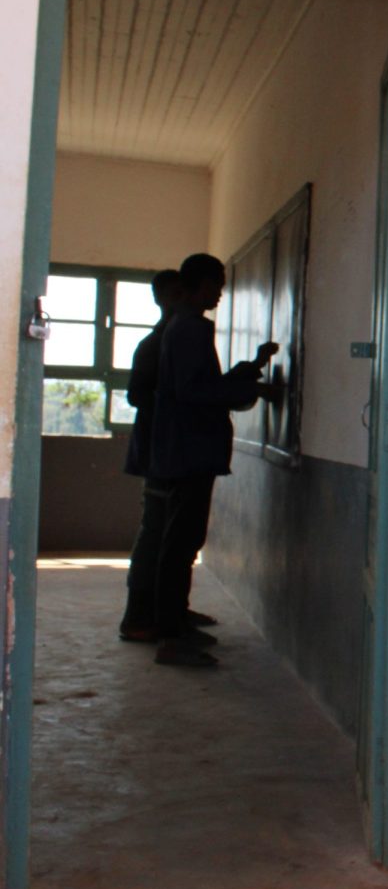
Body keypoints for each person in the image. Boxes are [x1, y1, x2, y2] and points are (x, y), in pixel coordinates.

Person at [149, 253, 277, 667]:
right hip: (189, 451)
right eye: (216, 284)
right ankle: (169, 635)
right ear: (197, 285)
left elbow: (201, 384)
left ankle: (175, 622)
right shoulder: (189, 329)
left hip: (189, 450)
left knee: (183, 541)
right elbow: (193, 392)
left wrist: (250, 369)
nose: (220, 292)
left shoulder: (187, 327)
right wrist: (249, 392)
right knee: (180, 542)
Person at [119, 269, 188, 642]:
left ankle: (171, 611)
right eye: (175, 293)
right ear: (160, 299)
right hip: (159, 452)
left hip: (172, 451)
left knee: (172, 538)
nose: (183, 300)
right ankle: (138, 618)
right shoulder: (154, 344)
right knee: (155, 536)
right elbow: (136, 395)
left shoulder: (179, 340)